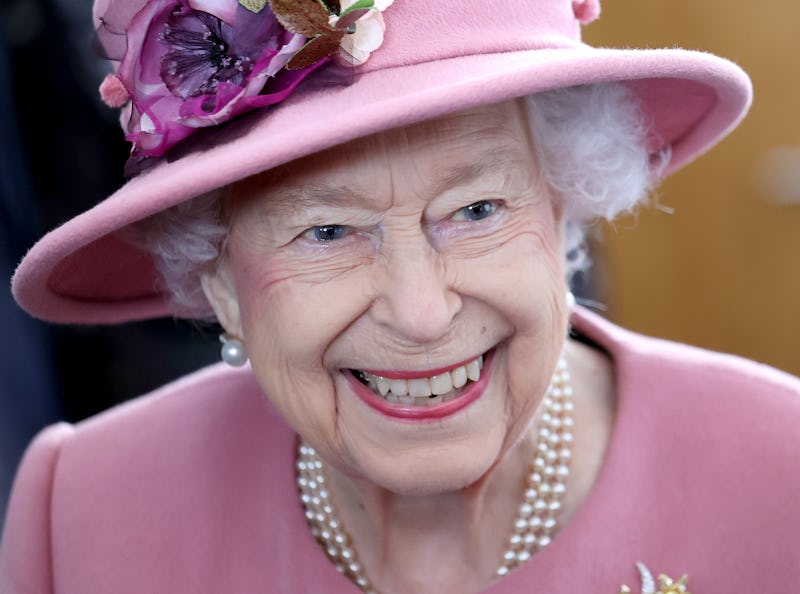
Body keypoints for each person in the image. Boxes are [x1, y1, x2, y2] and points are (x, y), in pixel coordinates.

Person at [1, 0, 798, 592]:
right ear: (218, 276)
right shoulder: (82, 514)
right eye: (327, 232)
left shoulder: (779, 474)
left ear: (562, 210)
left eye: (477, 210)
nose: (421, 314)